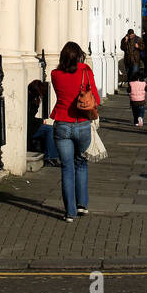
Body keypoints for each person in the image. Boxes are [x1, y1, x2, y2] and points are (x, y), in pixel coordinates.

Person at [50, 41, 101, 221]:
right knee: (81, 164)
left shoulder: (55, 74)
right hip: (82, 124)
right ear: (79, 55)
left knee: (67, 168)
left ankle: (70, 212)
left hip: (62, 123)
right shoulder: (85, 71)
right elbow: (96, 98)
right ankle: (82, 205)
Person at [128, 61, 147, 126]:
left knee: (134, 112)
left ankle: (136, 122)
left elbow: (128, 90)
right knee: (141, 110)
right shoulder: (143, 83)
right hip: (141, 101)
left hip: (133, 101)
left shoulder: (131, 83)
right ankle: (140, 117)